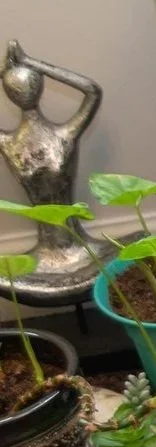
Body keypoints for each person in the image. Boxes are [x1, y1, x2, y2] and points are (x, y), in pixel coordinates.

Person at [1, 42, 102, 306]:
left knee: (143, 245)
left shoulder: (64, 135)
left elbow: (92, 91)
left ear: (41, 86)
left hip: (85, 251)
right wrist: (5, 71)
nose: (23, 91)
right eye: (14, 87)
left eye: (30, 83)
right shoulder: (9, 144)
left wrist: (34, 63)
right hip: (43, 259)